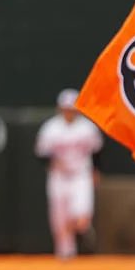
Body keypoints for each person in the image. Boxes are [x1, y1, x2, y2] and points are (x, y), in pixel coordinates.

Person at [35, 89, 103, 260]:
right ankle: (66, 252)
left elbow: (97, 151)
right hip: (59, 175)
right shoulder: (51, 128)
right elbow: (41, 153)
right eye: (66, 108)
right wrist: (51, 162)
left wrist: (96, 170)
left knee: (81, 214)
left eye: (72, 109)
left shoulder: (87, 128)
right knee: (59, 216)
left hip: (81, 173)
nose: (69, 112)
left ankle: (83, 230)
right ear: (60, 109)